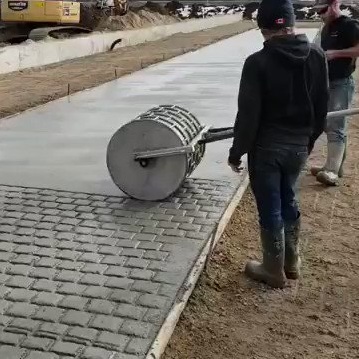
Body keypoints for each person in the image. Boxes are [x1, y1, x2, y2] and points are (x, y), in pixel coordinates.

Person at [227, 0, 329, 289]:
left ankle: (273, 268)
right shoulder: (317, 56)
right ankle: (292, 261)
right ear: (292, 23)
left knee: (271, 205)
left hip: (267, 149)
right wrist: (308, 142)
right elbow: (321, 107)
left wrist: (237, 152)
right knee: (289, 197)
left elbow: (248, 116)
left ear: (264, 28)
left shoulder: (257, 62)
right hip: (299, 145)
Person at [310, 0, 359, 186]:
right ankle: (334, 166)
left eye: (323, 10)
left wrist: (335, 54)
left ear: (335, 4)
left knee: (336, 125)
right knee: (326, 123)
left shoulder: (350, 26)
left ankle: (331, 171)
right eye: (318, 11)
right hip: (326, 82)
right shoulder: (326, 28)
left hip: (342, 83)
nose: (321, 14)